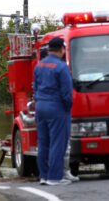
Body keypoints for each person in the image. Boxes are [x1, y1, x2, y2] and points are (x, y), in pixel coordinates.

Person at [34, 37, 73, 185]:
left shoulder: (39, 65)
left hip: (40, 107)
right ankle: (54, 178)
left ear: (49, 49)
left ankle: (43, 176)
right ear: (62, 49)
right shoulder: (62, 67)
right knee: (58, 143)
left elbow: (36, 87)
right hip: (57, 108)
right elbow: (66, 93)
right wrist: (67, 108)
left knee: (43, 143)